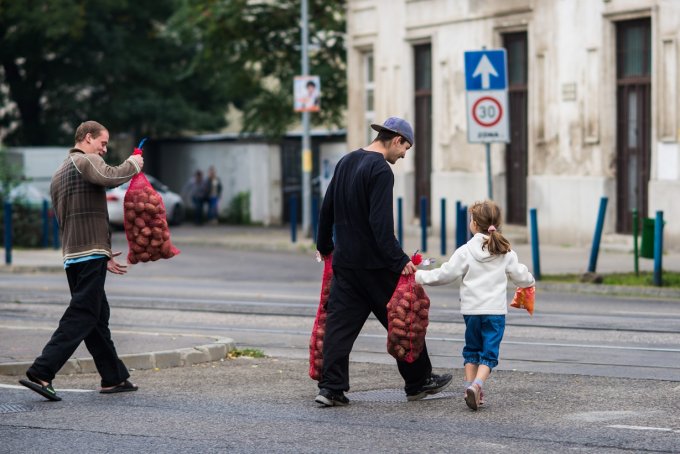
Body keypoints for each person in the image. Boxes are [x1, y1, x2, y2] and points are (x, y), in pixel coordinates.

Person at [315, 117, 452, 407]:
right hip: (375, 266)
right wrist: (399, 259)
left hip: (346, 264)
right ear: (396, 139)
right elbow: (380, 224)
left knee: (339, 327)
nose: (404, 155)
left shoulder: (346, 161)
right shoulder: (380, 169)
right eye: (406, 148)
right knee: (406, 320)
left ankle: (331, 389)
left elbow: (327, 208)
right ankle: (418, 381)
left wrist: (325, 246)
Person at [19, 121, 144, 401]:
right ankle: (42, 371)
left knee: (97, 317)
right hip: (87, 254)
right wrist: (133, 164)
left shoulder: (59, 172)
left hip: (74, 254)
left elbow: (76, 216)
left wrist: (105, 251)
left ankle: (114, 378)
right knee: (83, 315)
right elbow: (109, 176)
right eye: (102, 143)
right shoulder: (85, 160)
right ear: (87, 138)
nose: (104, 149)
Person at [415, 200, 535, 411]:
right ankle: (478, 385)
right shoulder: (505, 251)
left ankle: (469, 388)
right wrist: (529, 282)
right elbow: (522, 277)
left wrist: (419, 276)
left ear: (474, 225)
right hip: (495, 313)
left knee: (471, 350)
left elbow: (445, 275)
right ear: (497, 224)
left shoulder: (465, 251)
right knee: (489, 354)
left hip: (471, 312)